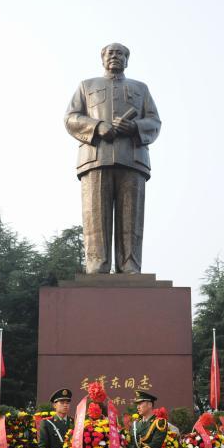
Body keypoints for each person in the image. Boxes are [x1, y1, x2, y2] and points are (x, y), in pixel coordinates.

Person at [64, 42, 162, 274]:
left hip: (132, 158)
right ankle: (97, 264)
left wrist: (133, 127)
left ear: (127, 60)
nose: (115, 57)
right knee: (95, 215)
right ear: (103, 59)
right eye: (111, 53)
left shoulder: (141, 88)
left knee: (131, 217)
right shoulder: (86, 86)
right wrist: (97, 127)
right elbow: (71, 117)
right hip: (96, 157)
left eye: (120, 54)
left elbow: (154, 122)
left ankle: (130, 264)